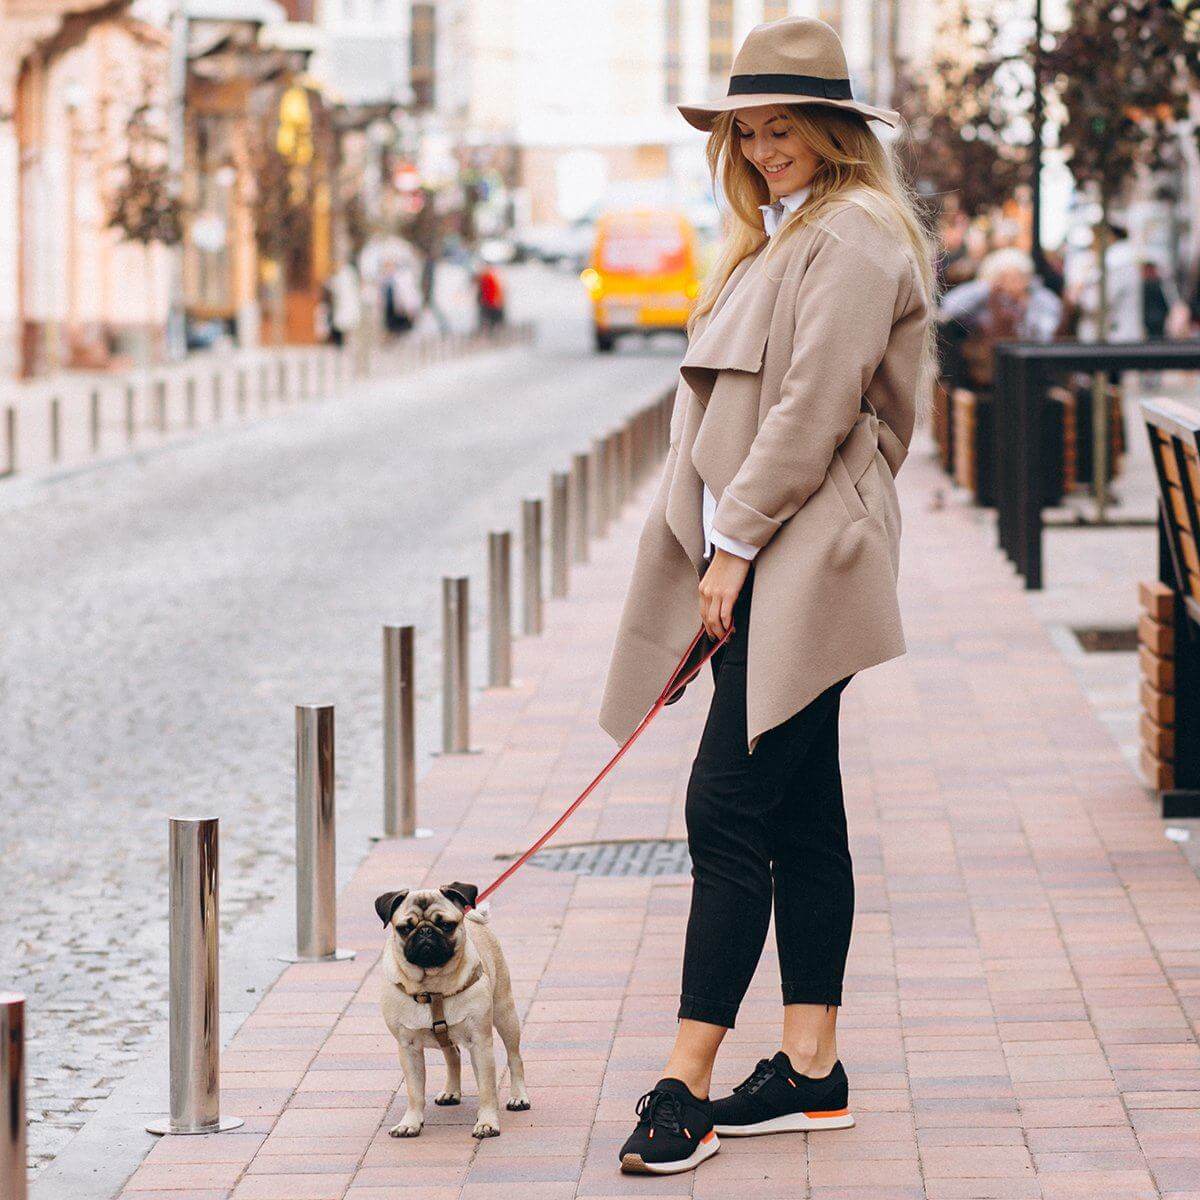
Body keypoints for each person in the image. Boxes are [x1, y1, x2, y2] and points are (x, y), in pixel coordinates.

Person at [596, 14, 934, 1177]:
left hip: (800, 553)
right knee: (796, 816)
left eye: (781, 131)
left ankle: (685, 1083)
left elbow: (811, 407)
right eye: (745, 134)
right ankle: (809, 1069)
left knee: (725, 810)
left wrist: (729, 550)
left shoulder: (853, 236)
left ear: (836, 132)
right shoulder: (785, 232)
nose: (759, 151)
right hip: (778, 543)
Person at [939, 247, 1063, 343]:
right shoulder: (986, 297)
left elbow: (1048, 334)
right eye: (1004, 278)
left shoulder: (1041, 298)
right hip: (990, 366)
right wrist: (987, 286)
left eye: (1017, 277)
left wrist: (1024, 309)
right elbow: (949, 307)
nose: (1011, 283)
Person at [326, 260, 362, 348]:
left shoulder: (347, 273)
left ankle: (348, 344)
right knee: (345, 326)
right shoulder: (344, 273)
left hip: (348, 305)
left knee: (348, 325)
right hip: (344, 304)